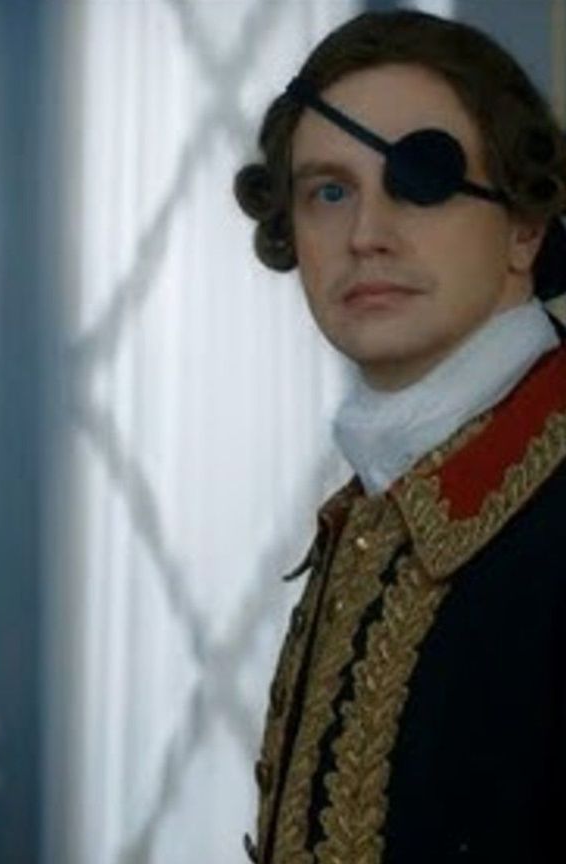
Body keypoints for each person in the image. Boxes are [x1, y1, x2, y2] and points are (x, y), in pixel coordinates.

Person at [235, 10, 566, 864]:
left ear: (524, 227)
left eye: (422, 181)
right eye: (329, 192)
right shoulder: (374, 509)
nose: (365, 236)